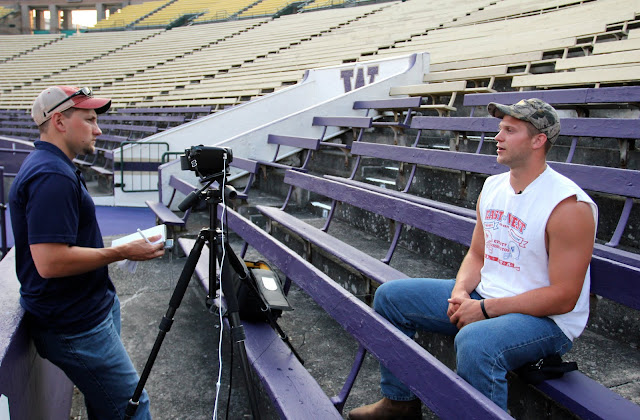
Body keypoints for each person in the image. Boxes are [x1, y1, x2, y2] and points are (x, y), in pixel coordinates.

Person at [347, 98, 598, 419]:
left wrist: (484, 309)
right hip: (486, 296)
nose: (498, 137)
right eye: (500, 128)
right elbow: (478, 253)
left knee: (476, 342)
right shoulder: (493, 186)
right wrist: (461, 292)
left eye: (510, 130)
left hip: (545, 321)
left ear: (538, 141)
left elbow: (563, 297)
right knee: (390, 297)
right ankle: (399, 404)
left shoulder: (568, 206)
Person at [9, 86, 165, 419]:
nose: (99, 130)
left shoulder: (54, 166)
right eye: (90, 120)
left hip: (88, 309)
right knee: (132, 408)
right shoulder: (51, 175)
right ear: (59, 122)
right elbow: (50, 262)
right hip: (75, 324)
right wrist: (121, 251)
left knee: (105, 404)